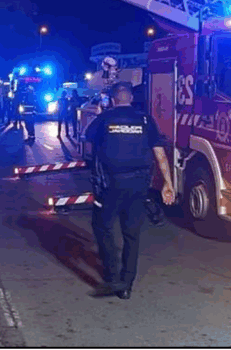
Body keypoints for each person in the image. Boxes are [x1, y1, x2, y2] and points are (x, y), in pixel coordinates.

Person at [84, 81, 175, 300]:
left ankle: (112, 275)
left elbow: (88, 140)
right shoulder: (145, 120)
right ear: (131, 99)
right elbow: (160, 154)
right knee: (132, 235)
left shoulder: (104, 119)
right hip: (138, 186)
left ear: (113, 100)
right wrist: (168, 184)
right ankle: (126, 285)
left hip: (110, 185)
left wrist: (100, 114)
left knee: (102, 227)